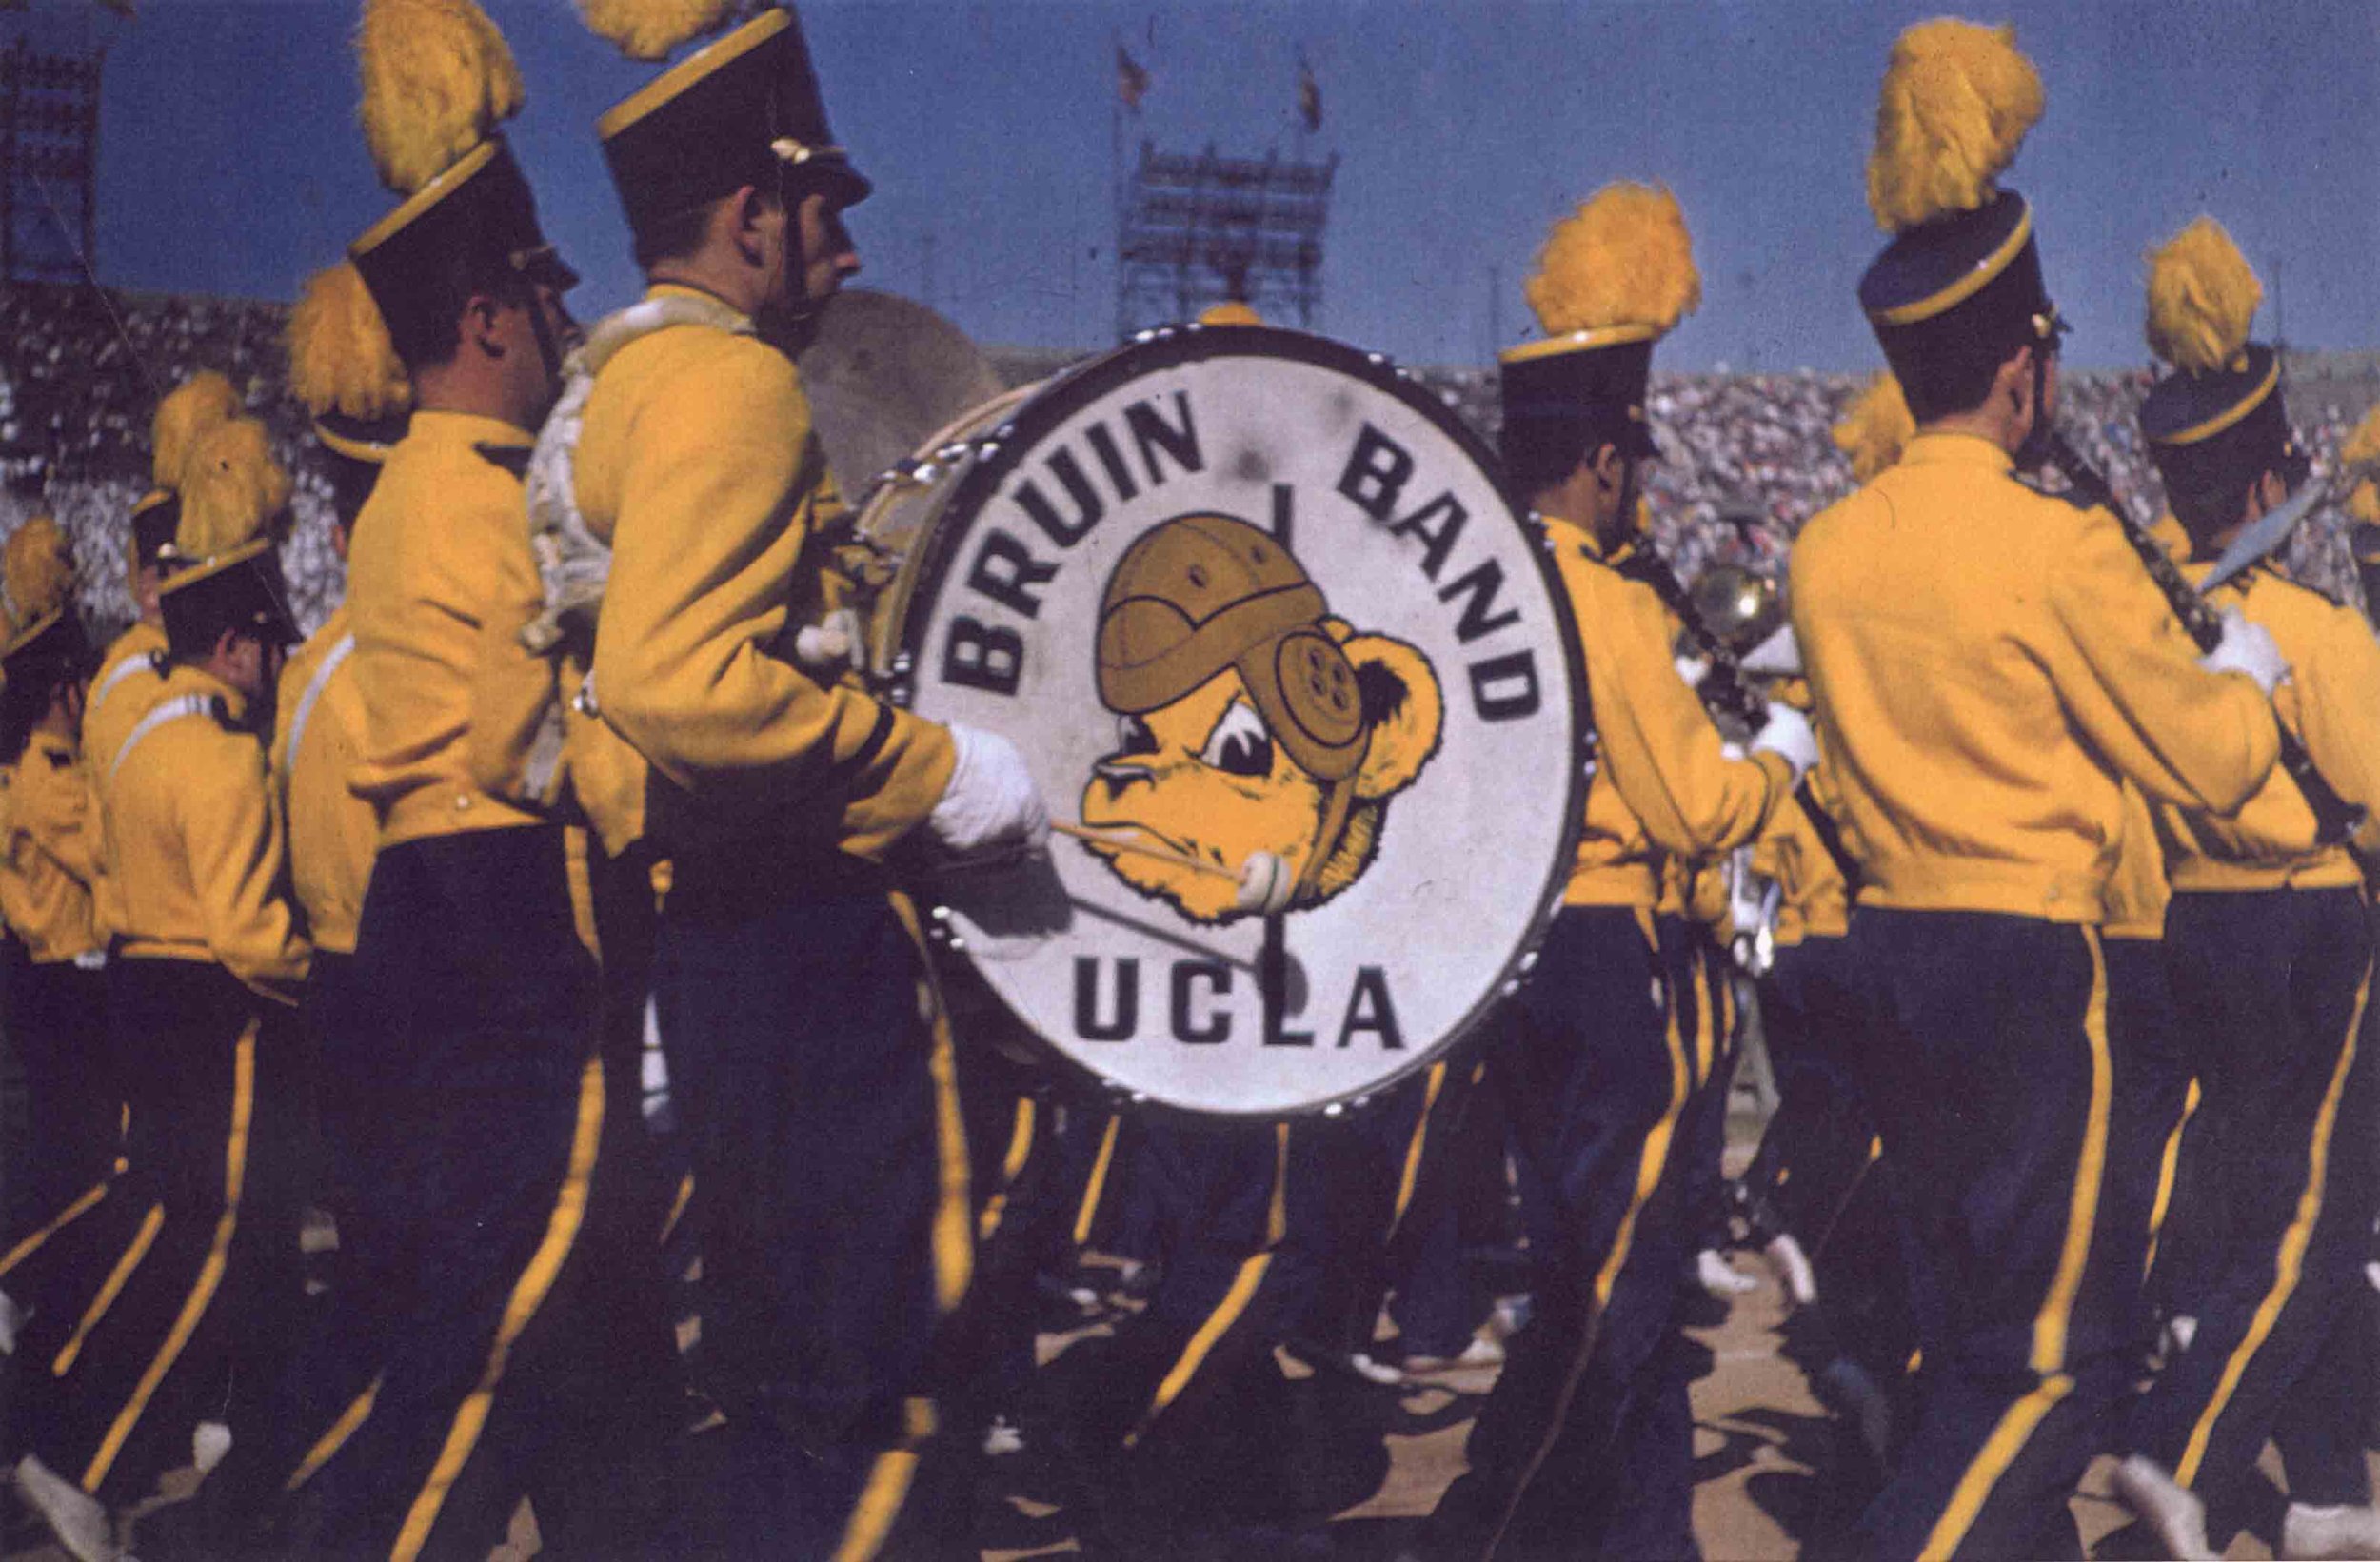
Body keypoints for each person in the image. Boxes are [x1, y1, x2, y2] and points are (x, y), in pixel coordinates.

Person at [1790, 23, 2289, 1555]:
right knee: (2053, 1371)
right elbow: (2213, 764)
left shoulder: (1824, 551)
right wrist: (2248, 676)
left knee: (1968, 1341)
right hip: (2030, 975)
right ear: (2022, 365)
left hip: (1890, 957)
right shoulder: (2056, 546)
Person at [565, 5, 1046, 1550]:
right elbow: (675, 681)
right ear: (751, 213)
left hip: (718, 932)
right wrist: (929, 768)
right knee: (892, 1370)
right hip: (808, 933)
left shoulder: (620, 392)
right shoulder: (734, 387)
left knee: (785, 1380)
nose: (842, 252)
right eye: (819, 212)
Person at [260, 3, 639, 1554]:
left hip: (441, 920)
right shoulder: (481, 497)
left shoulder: (419, 490)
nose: (565, 313)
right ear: (489, 316)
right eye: (544, 289)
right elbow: (533, 747)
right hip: (508, 925)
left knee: (567, 1361)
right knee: (492, 1343)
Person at [1417, 179, 1815, 1561]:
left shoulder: (1467, 588)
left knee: (1588, 1271)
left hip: (1503, 951)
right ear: (1602, 460)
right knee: (1624, 1294)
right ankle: (1508, 1530)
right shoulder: (1604, 596)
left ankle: (1618, 1535)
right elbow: (1695, 806)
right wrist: (1782, 764)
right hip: (1606, 960)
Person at [2110, 216, 2380, 1561]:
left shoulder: (2148, 627)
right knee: (2317, 1221)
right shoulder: (2316, 634)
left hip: (2196, 923)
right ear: (2269, 472)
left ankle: (2324, 1482)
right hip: (2313, 926)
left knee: (2279, 1199)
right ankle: (2185, 1455)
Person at [12, 414, 309, 1562]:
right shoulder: (222, 753)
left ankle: (67, 1416)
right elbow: (248, 935)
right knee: (208, 1243)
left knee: (163, 1224)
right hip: (211, 1009)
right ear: (235, 643)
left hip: (142, 986)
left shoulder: (141, 734)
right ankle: (83, 1454)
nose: (274, 662)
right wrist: (316, 978)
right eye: (267, 642)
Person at [0, 520, 116, 1355]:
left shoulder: (29, 770)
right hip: (62, 972)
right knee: (75, 1148)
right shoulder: (51, 779)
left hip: (47, 971)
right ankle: (28, 1287)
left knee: (66, 1143)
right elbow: (107, 857)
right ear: (64, 690)